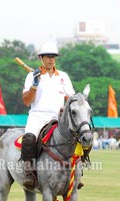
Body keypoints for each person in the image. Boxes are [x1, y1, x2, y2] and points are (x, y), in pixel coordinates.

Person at [21, 41, 75, 189]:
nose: (51, 59)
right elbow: (26, 101)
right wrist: (35, 85)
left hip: (58, 118)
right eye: (48, 57)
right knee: (28, 139)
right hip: (37, 116)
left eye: (53, 57)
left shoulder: (63, 76)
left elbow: (71, 98)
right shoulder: (32, 76)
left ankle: (76, 173)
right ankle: (29, 173)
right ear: (41, 58)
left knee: (77, 136)